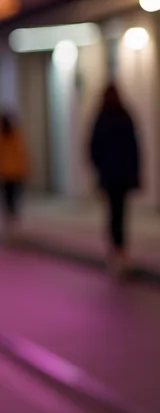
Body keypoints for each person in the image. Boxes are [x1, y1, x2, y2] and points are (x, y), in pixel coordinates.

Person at [89, 83, 140, 280]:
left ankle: (116, 251)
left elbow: (93, 147)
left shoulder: (102, 118)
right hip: (122, 175)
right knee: (120, 213)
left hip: (111, 176)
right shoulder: (124, 115)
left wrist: (99, 168)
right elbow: (134, 148)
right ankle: (120, 250)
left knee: (113, 212)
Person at [0, 112, 29, 240]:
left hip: (9, 174)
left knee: (9, 200)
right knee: (11, 200)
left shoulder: (3, 137)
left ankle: (11, 224)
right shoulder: (4, 137)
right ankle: (12, 224)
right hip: (11, 174)